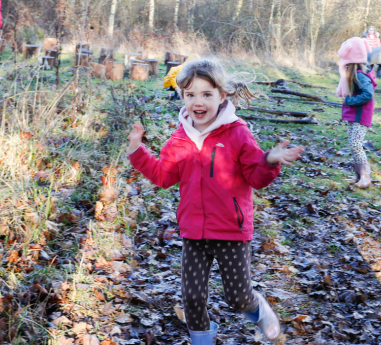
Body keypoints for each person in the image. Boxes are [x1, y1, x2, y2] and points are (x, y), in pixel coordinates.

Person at [127, 59, 304, 344]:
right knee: (193, 298)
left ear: (222, 95)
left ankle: (257, 308)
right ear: (182, 97)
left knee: (237, 297)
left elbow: (256, 178)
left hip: (231, 231)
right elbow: (163, 176)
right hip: (193, 232)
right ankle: (202, 340)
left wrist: (270, 160)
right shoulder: (179, 139)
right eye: (191, 94)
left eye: (206, 94)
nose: (198, 101)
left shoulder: (237, 133)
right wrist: (138, 152)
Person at [336, 37, 376, 189]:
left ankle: (366, 176)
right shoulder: (351, 73)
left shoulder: (360, 75)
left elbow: (368, 94)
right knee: (353, 145)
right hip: (354, 116)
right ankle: (358, 175)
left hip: (360, 116)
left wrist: (350, 101)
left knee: (356, 145)